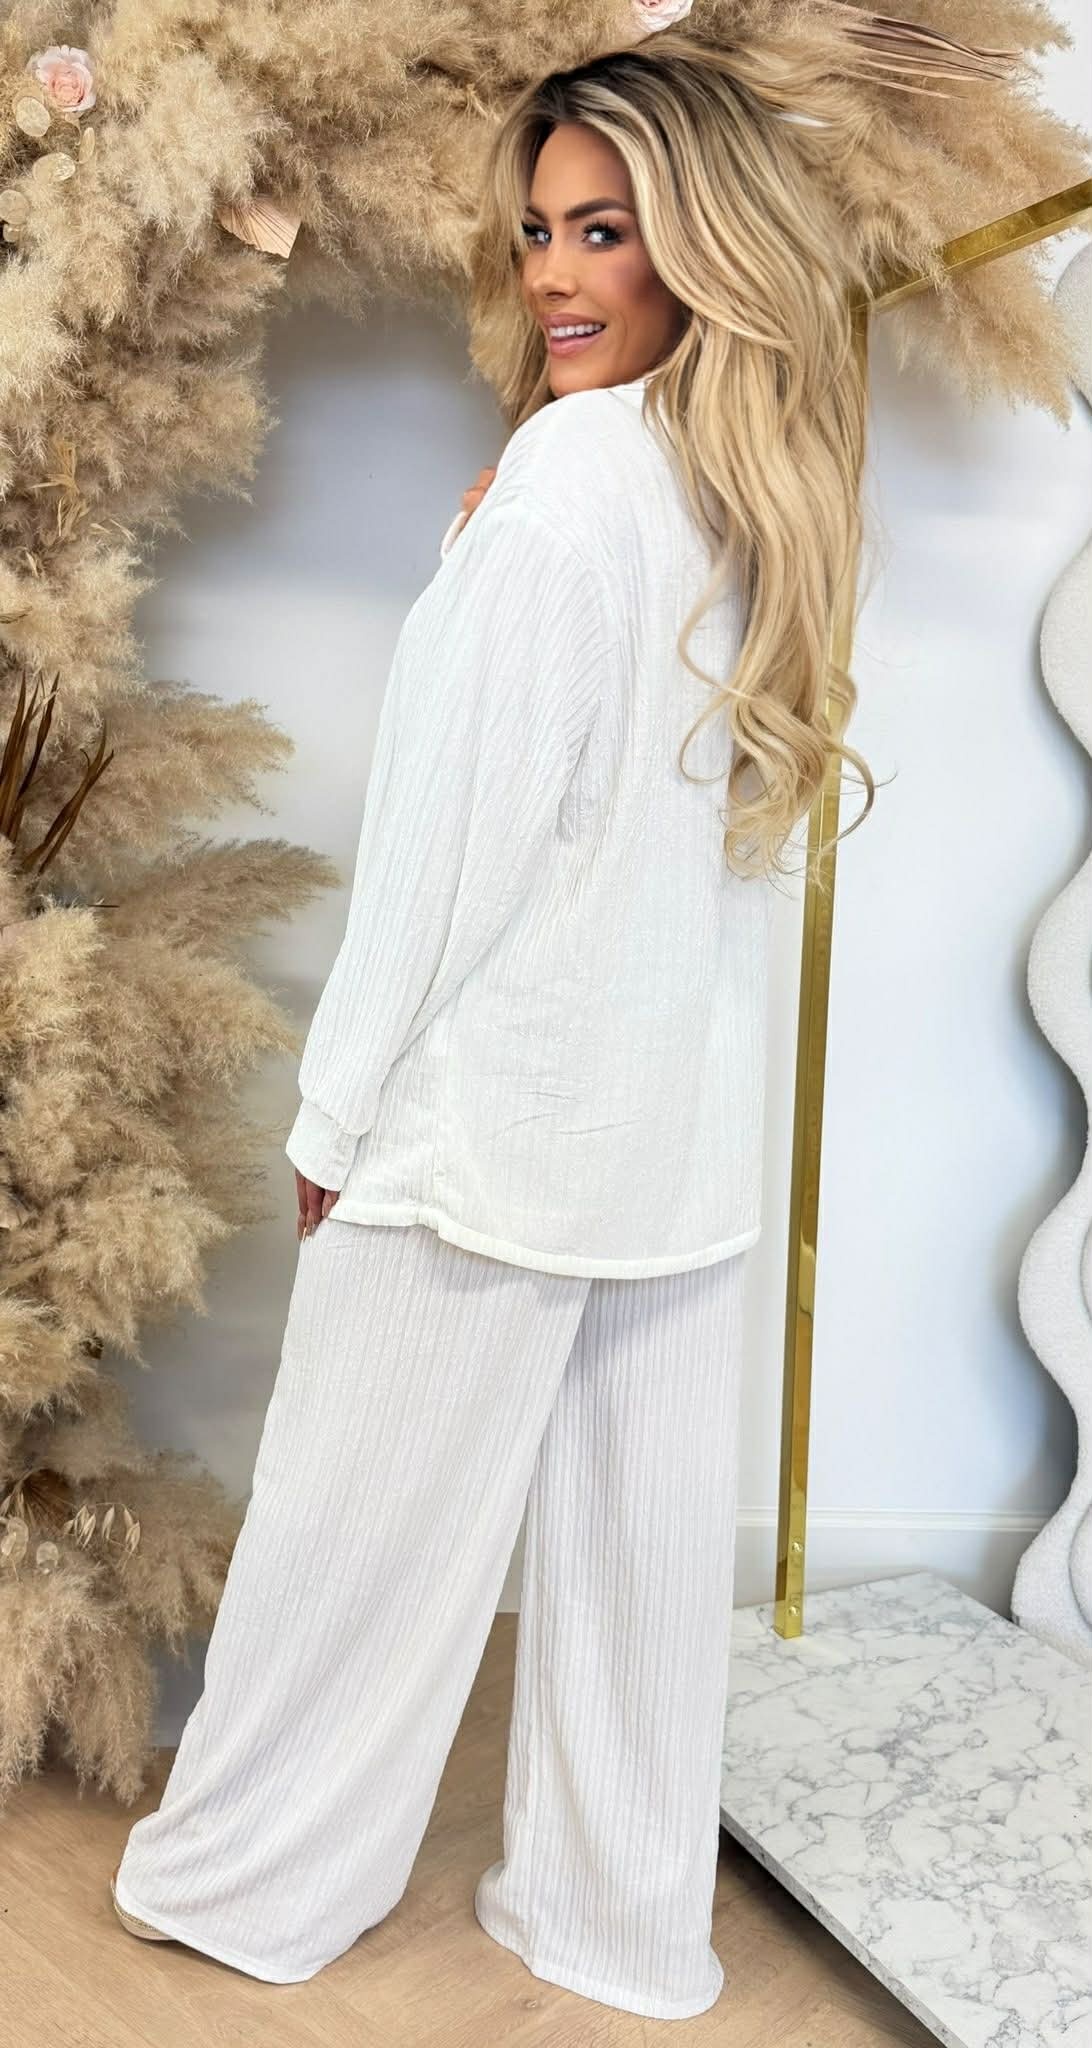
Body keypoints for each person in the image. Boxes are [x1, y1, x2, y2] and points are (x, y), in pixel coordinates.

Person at [111, 26, 888, 2022]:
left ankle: (242, 1885)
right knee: (637, 1580)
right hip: (669, 1136)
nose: (553, 274)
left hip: (488, 1126)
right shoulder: (761, 496)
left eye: (604, 230)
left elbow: (445, 858)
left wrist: (336, 1116)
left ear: (703, 242)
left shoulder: (563, 496)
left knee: (350, 1544)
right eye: (542, 230)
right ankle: (616, 1926)